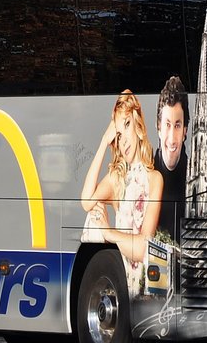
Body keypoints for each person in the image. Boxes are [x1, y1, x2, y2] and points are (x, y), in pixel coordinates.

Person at [80, 90, 164, 295]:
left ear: (139, 128)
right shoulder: (117, 180)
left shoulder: (155, 179)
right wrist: (103, 142)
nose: (123, 140)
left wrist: (109, 233)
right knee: (93, 213)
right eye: (118, 134)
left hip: (142, 281)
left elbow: (145, 246)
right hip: (119, 277)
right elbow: (86, 201)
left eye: (126, 125)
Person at [153, 76, 189, 242]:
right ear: (158, 128)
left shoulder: (193, 177)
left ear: (185, 131)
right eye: (167, 125)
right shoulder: (146, 174)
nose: (172, 139)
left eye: (177, 125)